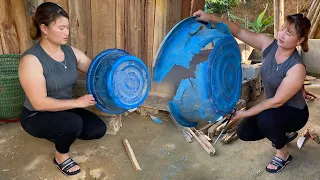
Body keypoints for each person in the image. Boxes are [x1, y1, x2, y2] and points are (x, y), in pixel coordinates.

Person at [194, 10, 311, 173]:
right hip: (276, 108)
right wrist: (211, 18)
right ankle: (284, 132)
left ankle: (283, 154)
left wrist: (244, 113)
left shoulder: (296, 67)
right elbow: (240, 31)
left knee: (266, 118)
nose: (282, 34)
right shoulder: (269, 45)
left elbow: (276, 101)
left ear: (300, 40)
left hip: (295, 112)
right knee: (244, 131)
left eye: (289, 33)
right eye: (283, 28)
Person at [18, 2, 107, 176]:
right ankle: (61, 157)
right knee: (73, 123)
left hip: (65, 108)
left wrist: (119, 76)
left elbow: (95, 69)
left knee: (97, 130)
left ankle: (59, 132)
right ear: (44, 28)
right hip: (36, 115)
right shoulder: (31, 60)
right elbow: (39, 103)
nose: (67, 32)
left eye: (67, 27)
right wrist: (77, 102)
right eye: (61, 28)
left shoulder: (70, 52)